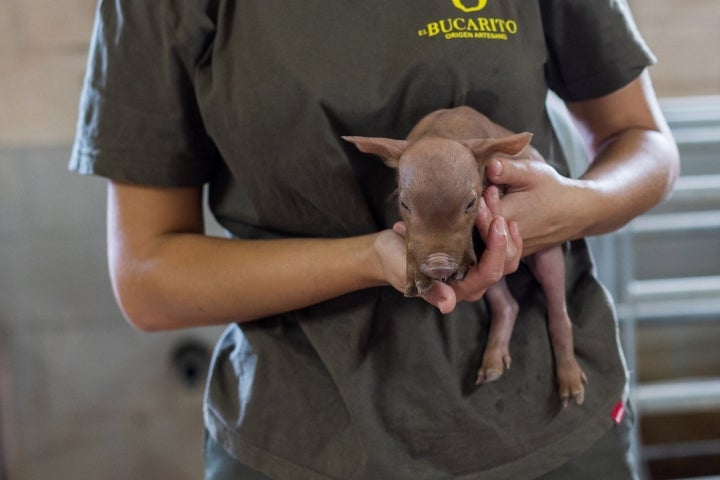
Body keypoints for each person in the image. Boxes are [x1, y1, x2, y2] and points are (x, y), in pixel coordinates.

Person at [69, 1, 679, 479]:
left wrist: (573, 207)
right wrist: (370, 258)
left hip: (550, 425)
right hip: (304, 441)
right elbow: (148, 279)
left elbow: (645, 142)